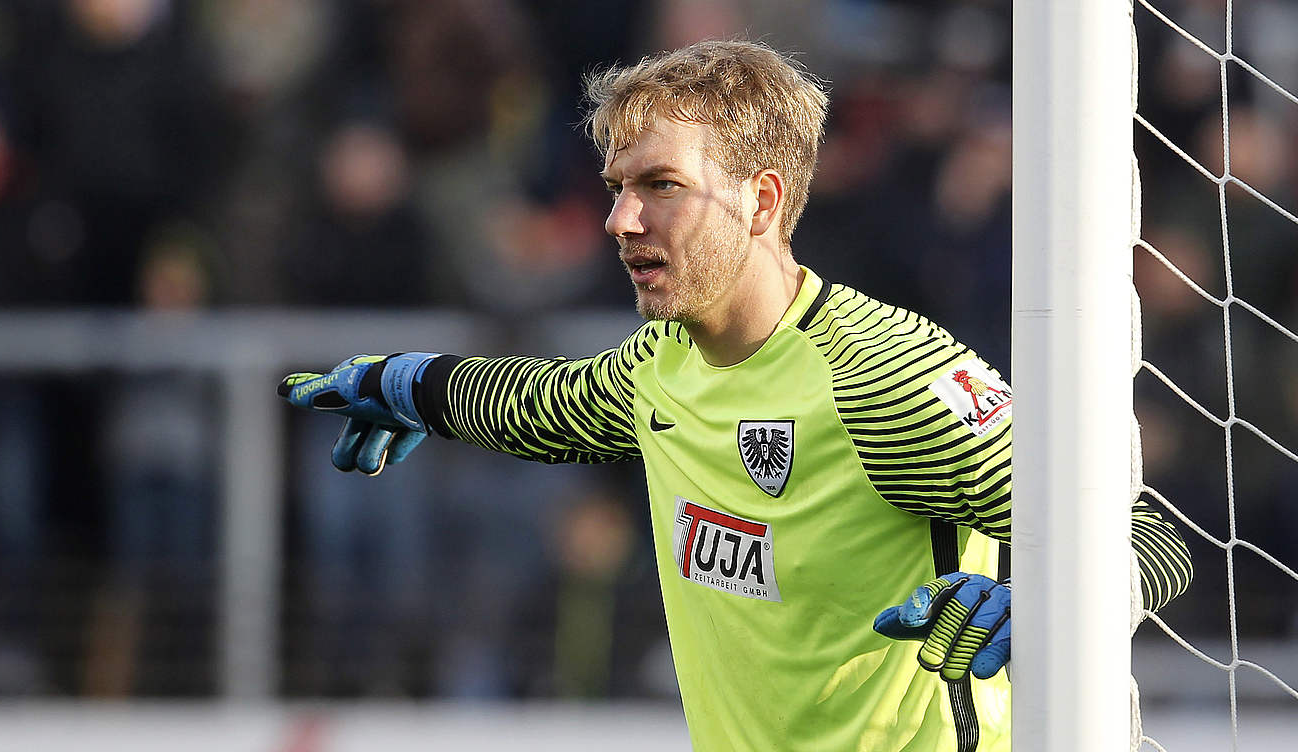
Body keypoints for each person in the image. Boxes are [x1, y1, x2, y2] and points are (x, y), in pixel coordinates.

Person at [278, 40, 1193, 751]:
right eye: (617, 188)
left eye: (661, 186)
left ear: (761, 202)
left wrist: (1050, 599)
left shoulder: (883, 377)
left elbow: (1147, 529)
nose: (620, 218)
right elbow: (539, 405)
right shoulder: (660, 366)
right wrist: (406, 384)